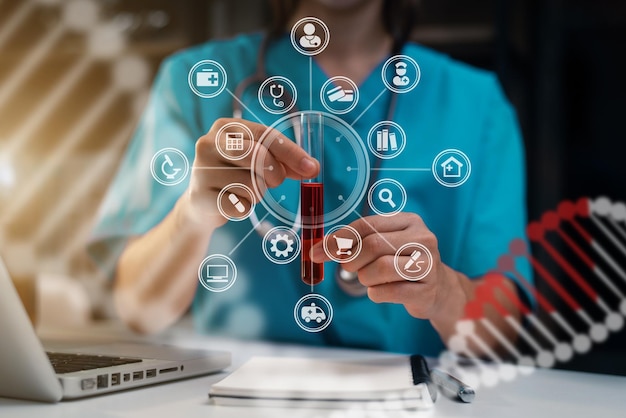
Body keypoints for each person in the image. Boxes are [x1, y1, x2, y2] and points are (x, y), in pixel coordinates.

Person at [88, 0, 531, 357]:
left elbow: (504, 328)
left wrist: (443, 291)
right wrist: (192, 216)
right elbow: (139, 309)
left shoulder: (476, 104)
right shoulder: (190, 83)